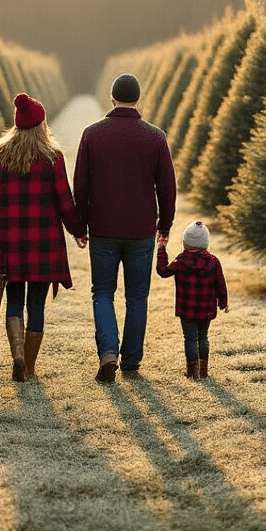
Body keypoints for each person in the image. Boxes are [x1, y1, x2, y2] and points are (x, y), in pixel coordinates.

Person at [73, 72, 176, 382]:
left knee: (102, 293)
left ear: (113, 98)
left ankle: (107, 353)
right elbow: (167, 186)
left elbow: (81, 185)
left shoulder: (93, 134)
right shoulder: (155, 136)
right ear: (138, 99)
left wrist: (80, 226)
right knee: (137, 298)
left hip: (103, 228)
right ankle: (131, 364)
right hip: (141, 230)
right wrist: (166, 224)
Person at [0, 93, 86, 382]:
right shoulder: (52, 157)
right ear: (42, 125)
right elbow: (65, 201)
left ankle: (16, 354)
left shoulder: (0, 155)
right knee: (37, 306)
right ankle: (28, 367)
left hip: (11, 243)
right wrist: (78, 231)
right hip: (43, 244)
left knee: (14, 302)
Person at [156, 221, 229, 379]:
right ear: (206, 243)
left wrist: (161, 249)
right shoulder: (213, 261)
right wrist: (223, 302)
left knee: (190, 339)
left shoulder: (181, 261)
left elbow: (163, 271)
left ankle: (192, 373)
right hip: (206, 309)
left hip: (186, 309)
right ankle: (203, 372)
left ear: (185, 243)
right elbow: (220, 284)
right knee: (203, 337)